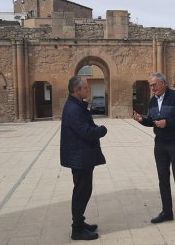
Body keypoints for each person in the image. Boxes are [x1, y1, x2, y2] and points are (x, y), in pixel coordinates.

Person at [132, 72, 175, 231]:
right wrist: (142, 120)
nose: (152, 88)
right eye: (150, 85)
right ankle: (167, 212)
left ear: (163, 83)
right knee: (162, 178)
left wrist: (169, 122)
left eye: (154, 85)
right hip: (159, 143)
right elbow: (152, 122)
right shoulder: (152, 101)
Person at [60, 76, 108, 240]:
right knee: (81, 192)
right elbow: (86, 132)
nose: (88, 90)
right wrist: (102, 130)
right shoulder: (73, 109)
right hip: (79, 158)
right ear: (76, 90)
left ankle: (80, 222)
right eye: (86, 88)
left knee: (84, 190)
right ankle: (77, 230)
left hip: (82, 156)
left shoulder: (77, 105)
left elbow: (86, 126)